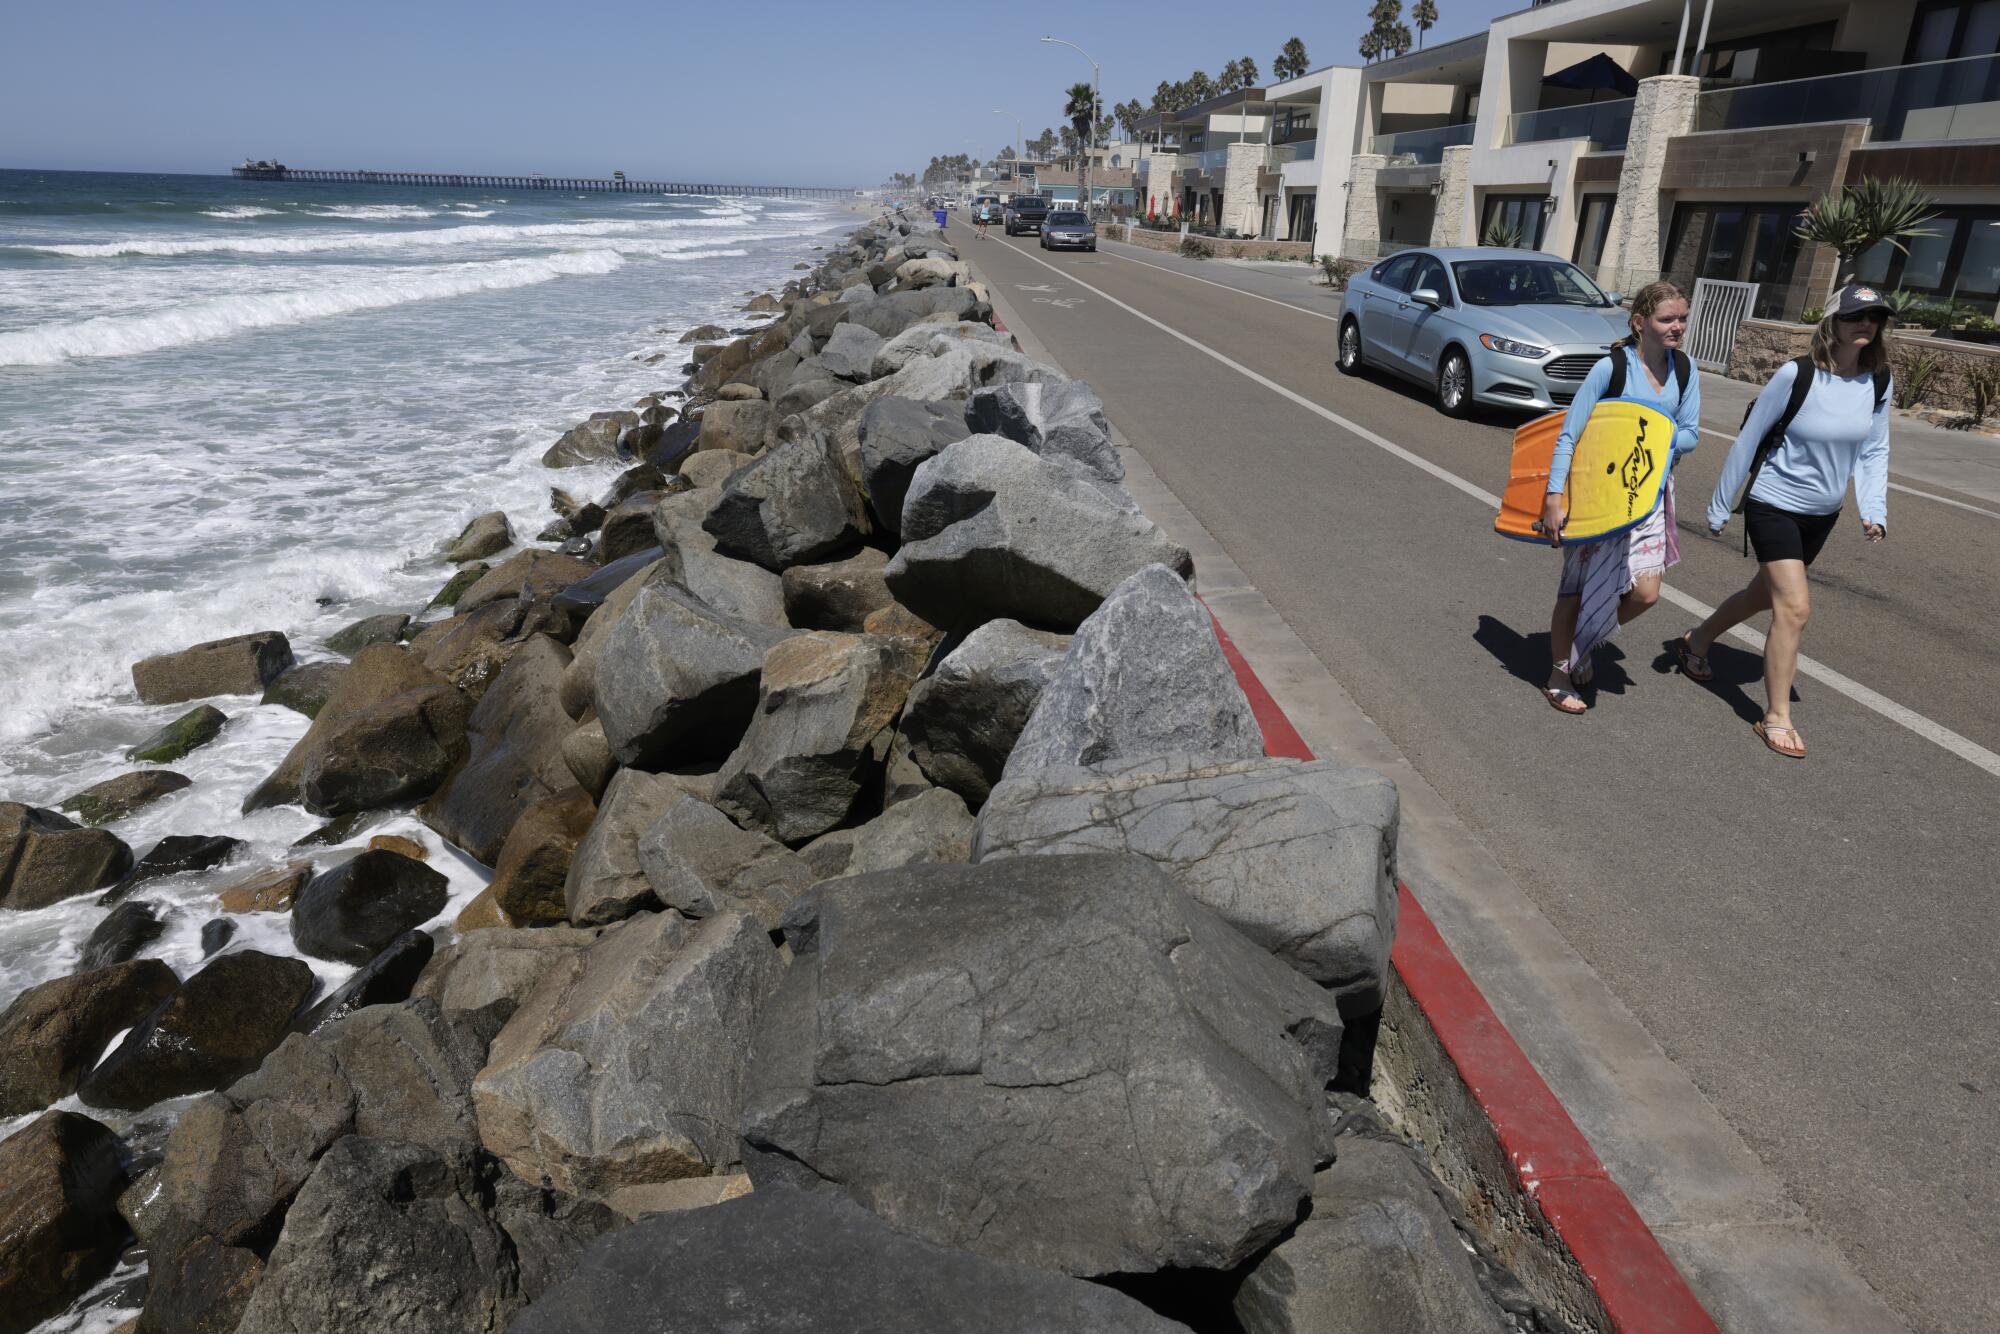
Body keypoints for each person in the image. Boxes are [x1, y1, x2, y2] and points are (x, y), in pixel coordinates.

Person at [1675, 283, 1895, 758]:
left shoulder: (1877, 380)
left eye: (1875, 317)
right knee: (1794, 608)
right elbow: (1749, 440)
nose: (1867, 324)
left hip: (1823, 513)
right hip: (1774, 503)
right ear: (1832, 322)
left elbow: (1874, 449)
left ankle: (1698, 639)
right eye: (1857, 316)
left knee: (1762, 594)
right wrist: (1719, 505)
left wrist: (1873, 508)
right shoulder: (1796, 375)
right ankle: (1775, 716)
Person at [1539, 280, 1701, 714]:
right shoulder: (1610, 369)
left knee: (1646, 593)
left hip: (1649, 495)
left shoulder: (1684, 369)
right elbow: (1569, 435)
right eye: (1667, 319)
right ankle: (1559, 673)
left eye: (1682, 318)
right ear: (1639, 322)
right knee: (1575, 591)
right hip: (1597, 495)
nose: (1678, 327)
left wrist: (1657, 445)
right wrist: (1555, 495)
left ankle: (1583, 641)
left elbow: (1690, 432)